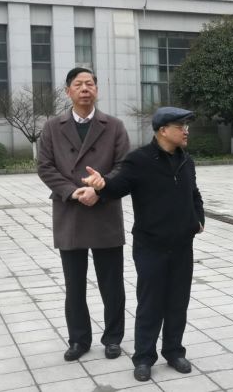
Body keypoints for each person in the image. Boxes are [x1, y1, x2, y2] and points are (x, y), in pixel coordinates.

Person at [81, 106, 204, 382]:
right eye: (181, 126)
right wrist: (101, 184)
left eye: (187, 126)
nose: (186, 131)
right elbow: (117, 188)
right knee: (150, 303)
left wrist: (198, 218)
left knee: (178, 302)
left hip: (182, 246)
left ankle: (174, 351)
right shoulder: (139, 160)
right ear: (163, 130)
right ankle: (144, 357)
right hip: (151, 246)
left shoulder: (186, 161)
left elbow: (194, 194)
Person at [37, 67, 129, 362]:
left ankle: (113, 338)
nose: (85, 88)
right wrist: (72, 191)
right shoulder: (52, 127)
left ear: (97, 90)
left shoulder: (114, 126)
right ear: (68, 91)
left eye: (90, 83)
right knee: (74, 284)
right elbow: (45, 166)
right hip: (70, 211)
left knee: (111, 283)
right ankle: (79, 339)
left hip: (104, 210)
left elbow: (124, 166)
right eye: (78, 84)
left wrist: (101, 188)